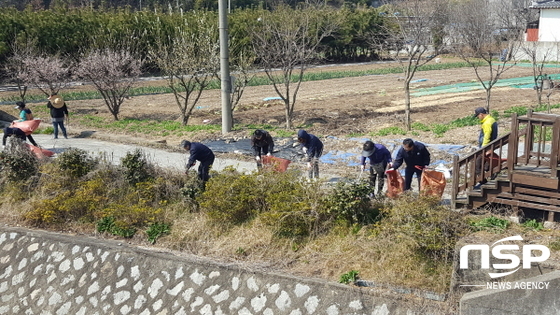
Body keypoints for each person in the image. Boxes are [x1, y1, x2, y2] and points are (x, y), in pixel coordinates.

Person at [473, 107, 498, 188]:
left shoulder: (487, 123)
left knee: (477, 166)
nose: (478, 118)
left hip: (486, 147)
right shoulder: (491, 119)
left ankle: (483, 183)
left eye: (478, 116)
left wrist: (483, 148)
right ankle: (492, 173)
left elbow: (487, 136)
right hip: (490, 146)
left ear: (481, 114)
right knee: (486, 164)